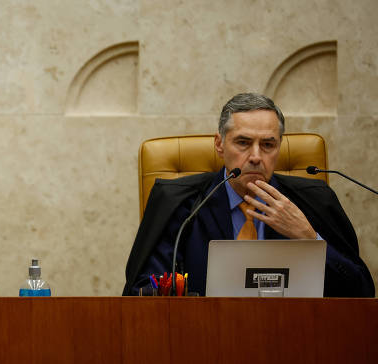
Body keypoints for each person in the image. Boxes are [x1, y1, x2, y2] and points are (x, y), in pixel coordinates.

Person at [123, 93, 374, 297]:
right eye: (243, 143)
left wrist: (310, 239)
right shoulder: (180, 204)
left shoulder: (315, 201)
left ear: (278, 147)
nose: (255, 156)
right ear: (219, 144)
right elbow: (142, 291)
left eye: (267, 145)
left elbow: (361, 292)